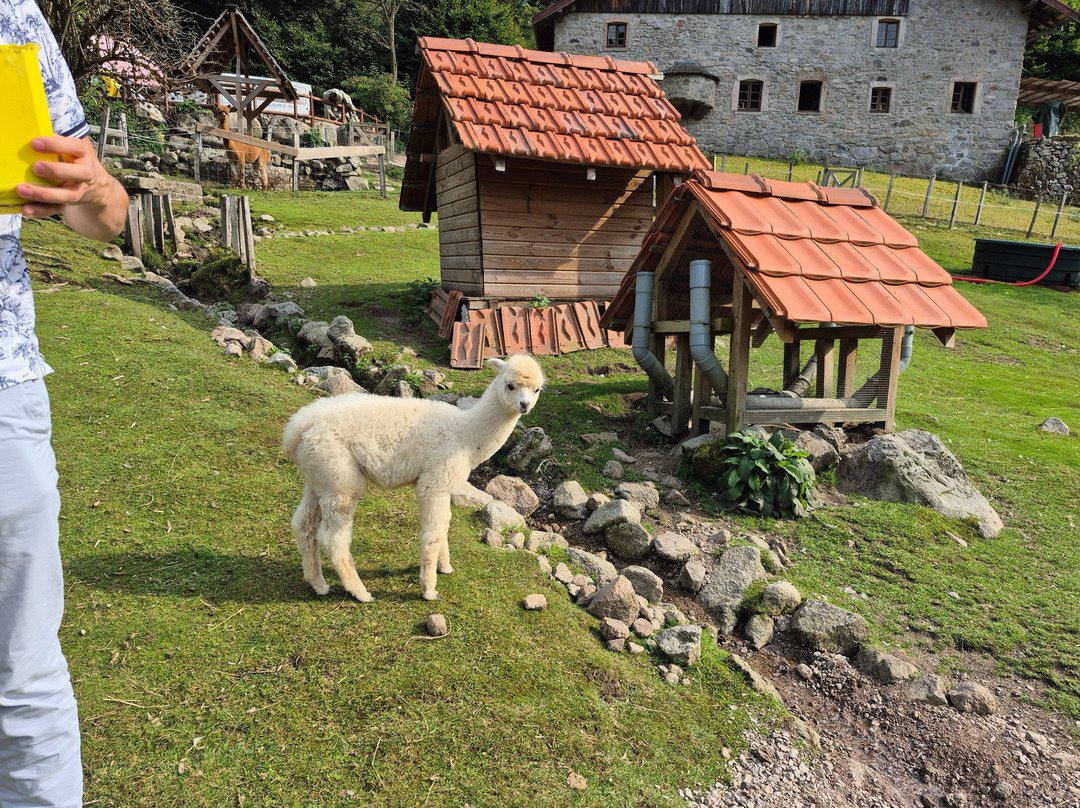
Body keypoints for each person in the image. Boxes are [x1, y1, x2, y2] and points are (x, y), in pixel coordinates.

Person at [1, 1, 131, 806]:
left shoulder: (13, 15)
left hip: (1, 384)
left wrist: (89, 189)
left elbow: (106, 214)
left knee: (22, 674)